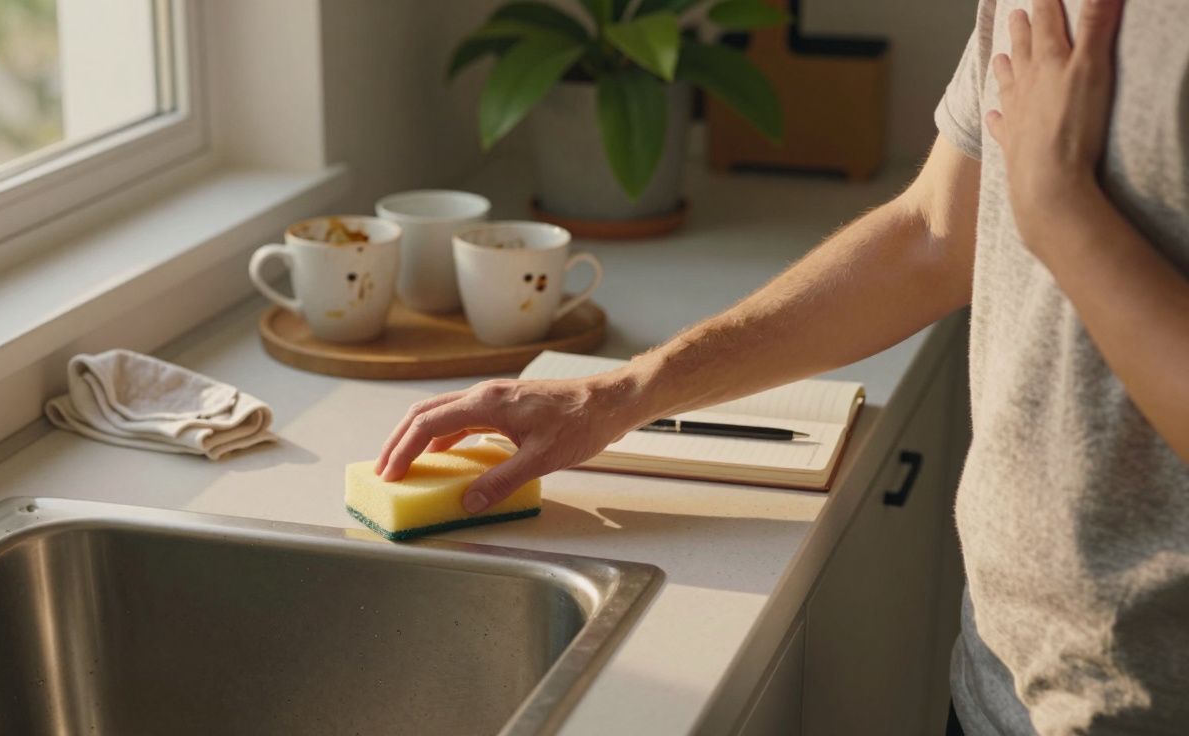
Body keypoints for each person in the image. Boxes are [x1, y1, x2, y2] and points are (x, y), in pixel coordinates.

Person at [376, 0, 1188, 732]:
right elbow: (934, 236)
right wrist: (621, 393)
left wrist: (1061, 213)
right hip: (1005, 678)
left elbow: (1027, 212)